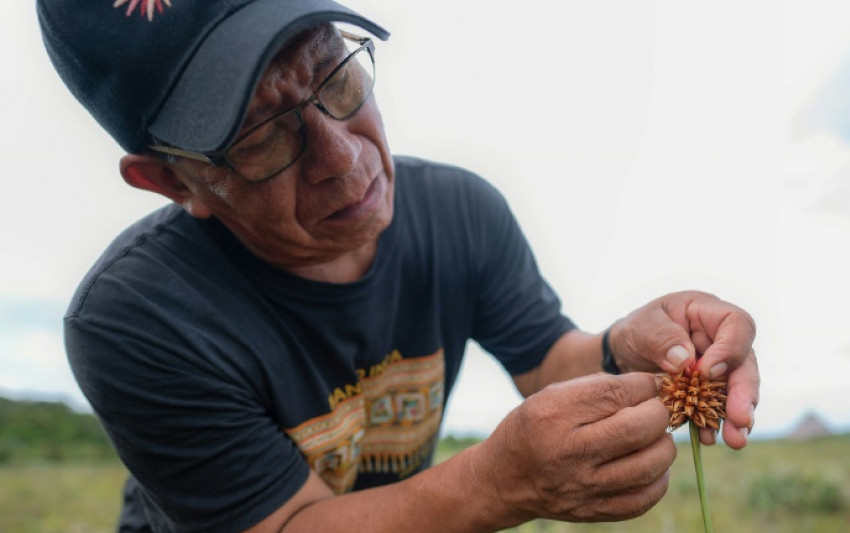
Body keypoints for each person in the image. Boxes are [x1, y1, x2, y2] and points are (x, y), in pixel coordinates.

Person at [38, 0, 759, 531]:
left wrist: (630, 349)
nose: (343, 157)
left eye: (336, 77)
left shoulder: (462, 211)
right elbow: (287, 524)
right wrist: (499, 483)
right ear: (173, 182)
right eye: (259, 139)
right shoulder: (136, 317)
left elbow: (548, 361)